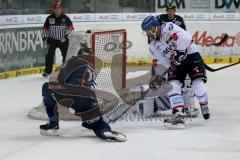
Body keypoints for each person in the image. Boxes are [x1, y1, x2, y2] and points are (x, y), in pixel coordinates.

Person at [39, 41, 127, 142]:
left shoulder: (74, 60)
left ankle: (53, 123)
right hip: (90, 99)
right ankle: (104, 131)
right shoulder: (92, 69)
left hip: (72, 92)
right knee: (96, 123)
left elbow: (62, 78)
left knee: (46, 87)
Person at [141, 16, 210, 129]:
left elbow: (185, 37)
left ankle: (204, 103)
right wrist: (158, 76)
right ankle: (178, 115)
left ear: (153, 28)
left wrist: (179, 54)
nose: (147, 34)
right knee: (173, 85)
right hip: (175, 62)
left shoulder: (168, 27)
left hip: (191, 55)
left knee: (197, 81)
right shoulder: (152, 44)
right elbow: (160, 60)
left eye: (147, 30)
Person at [41, 1, 74, 77]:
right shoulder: (49, 18)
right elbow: (45, 29)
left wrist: (65, 37)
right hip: (52, 40)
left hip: (63, 40)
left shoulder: (66, 18)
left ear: (61, 9)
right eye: (56, 9)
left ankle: (65, 72)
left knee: (66, 56)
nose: (57, 10)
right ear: (53, 9)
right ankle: (48, 71)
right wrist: (44, 38)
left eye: (59, 8)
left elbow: (71, 28)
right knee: (49, 55)